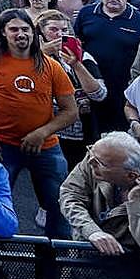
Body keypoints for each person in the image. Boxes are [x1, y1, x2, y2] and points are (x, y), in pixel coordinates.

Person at [0, 9, 78, 238]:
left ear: (33, 32)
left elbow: (71, 111)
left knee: (59, 207)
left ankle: (55, 264)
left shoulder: (51, 66)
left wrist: (43, 132)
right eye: (14, 29)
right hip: (3, 146)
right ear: (3, 32)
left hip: (46, 147)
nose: (21, 34)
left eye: (25, 29)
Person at [76, 0, 140, 133]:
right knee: (92, 131)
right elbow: (77, 44)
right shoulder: (86, 14)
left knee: (122, 133)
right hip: (91, 84)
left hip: (123, 87)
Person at [59, 131, 140, 258]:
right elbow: (70, 194)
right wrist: (91, 231)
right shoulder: (98, 155)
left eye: (99, 164)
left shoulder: (104, 158)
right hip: (82, 254)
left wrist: (137, 205)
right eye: (90, 154)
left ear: (130, 176)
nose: (90, 162)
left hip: (127, 267)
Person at [40, 10, 106, 168]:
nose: (59, 35)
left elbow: (99, 94)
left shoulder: (84, 57)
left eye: (64, 30)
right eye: (53, 30)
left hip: (84, 130)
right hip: (50, 132)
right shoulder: (34, 59)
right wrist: (41, 54)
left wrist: (76, 65)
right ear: (41, 34)